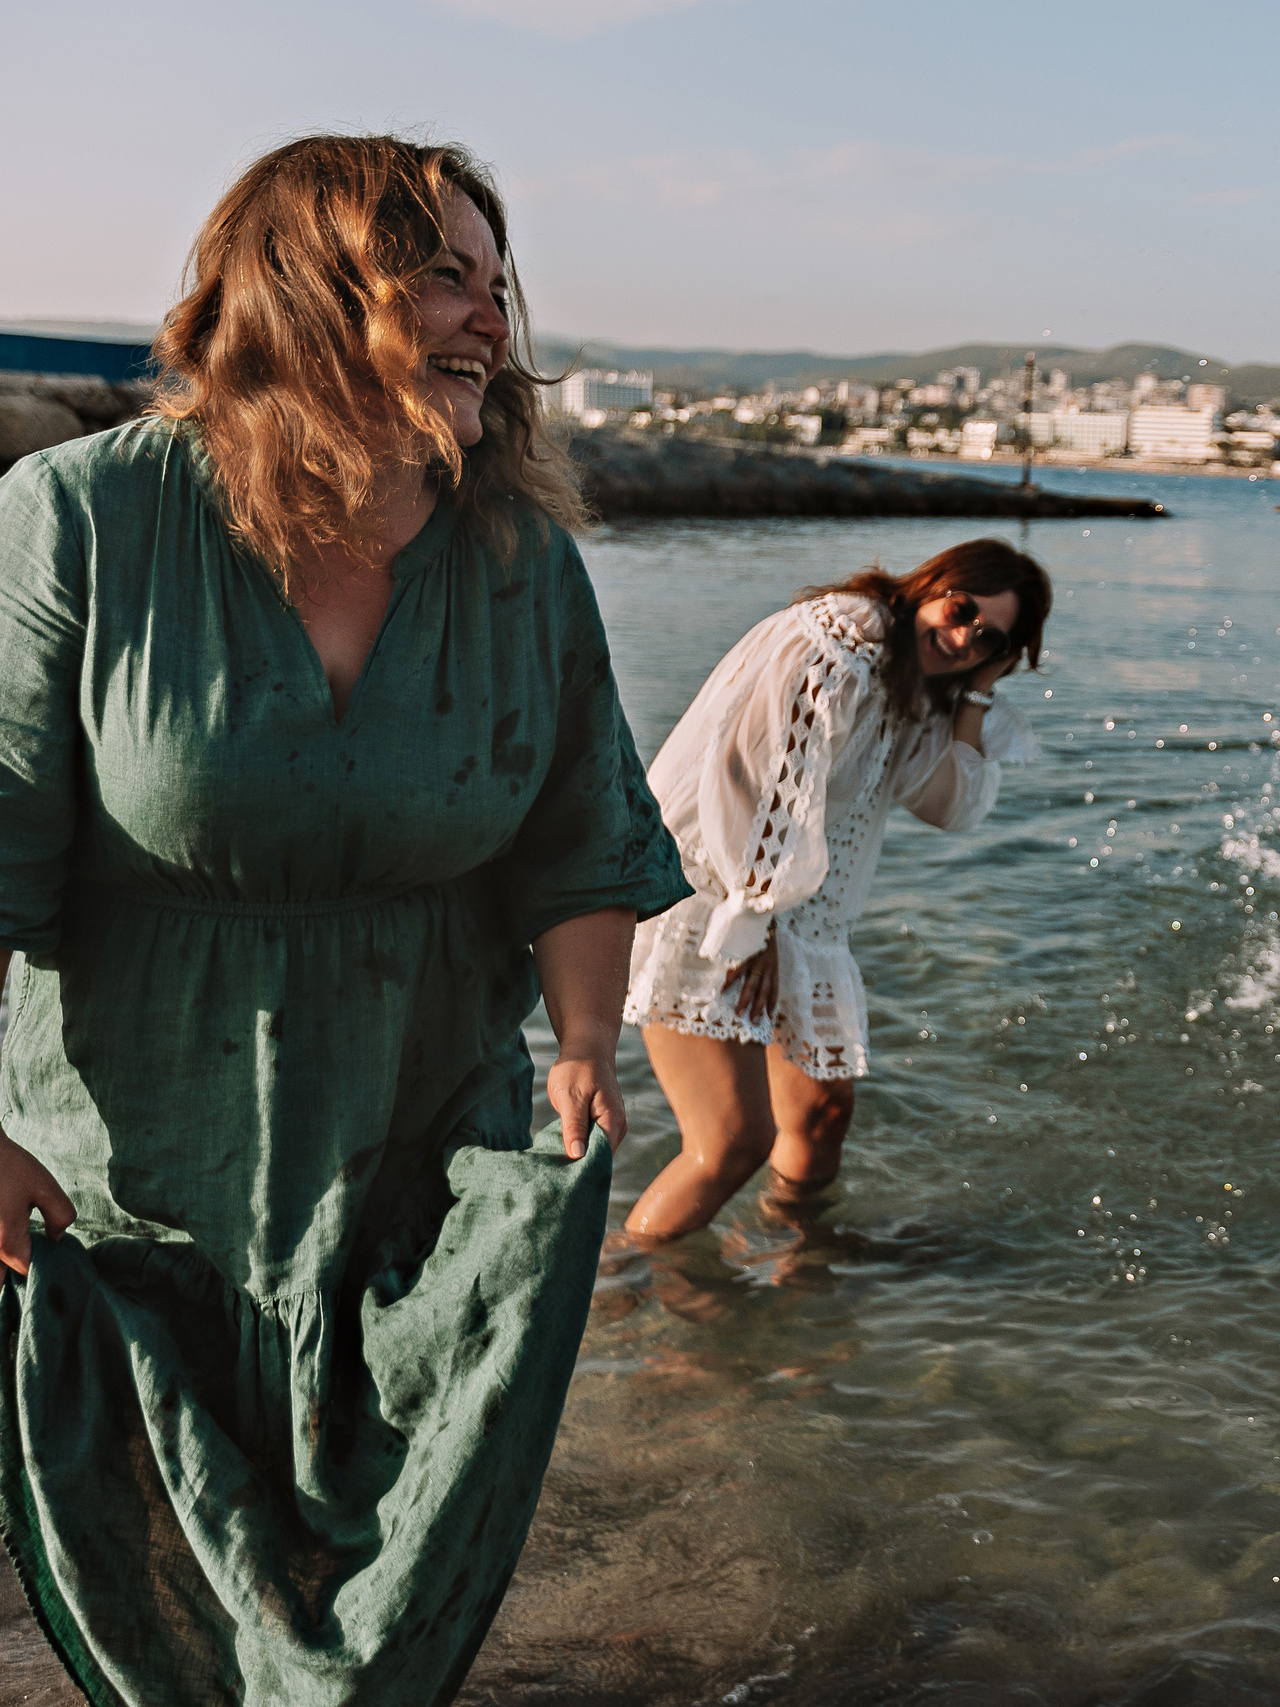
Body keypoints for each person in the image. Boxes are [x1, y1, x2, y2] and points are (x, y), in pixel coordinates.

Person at [0, 137, 687, 1704]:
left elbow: (585, 840)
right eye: (442, 272)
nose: (488, 319)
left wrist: (588, 1039)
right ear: (307, 285)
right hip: (133, 1182)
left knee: (391, 1596)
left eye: (496, 284)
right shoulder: (84, 521)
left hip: (419, 1154)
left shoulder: (523, 563)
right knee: (157, 1608)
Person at [621, 540, 1048, 1239]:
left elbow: (951, 806)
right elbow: (758, 775)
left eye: (990, 637)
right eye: (962, 607)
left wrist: (975, 694)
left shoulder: (913, 681)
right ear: (932, 583)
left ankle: (798, 1282)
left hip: (795, 920)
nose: (966, 632)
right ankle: (621, 1287)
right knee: (729, 1143)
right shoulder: (847, 636)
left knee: (821, 1117)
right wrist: (755, 918)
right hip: (709, 897)